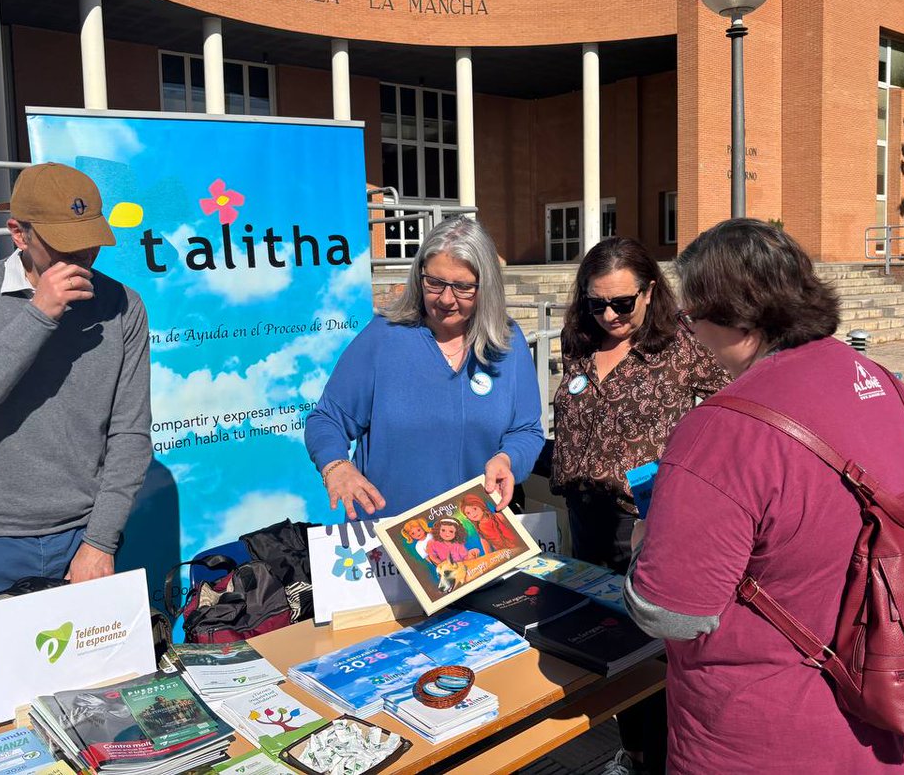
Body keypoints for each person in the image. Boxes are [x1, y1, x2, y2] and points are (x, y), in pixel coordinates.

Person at [625, 219, 904, 773]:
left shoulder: (723, 429)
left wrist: (644, 543)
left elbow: (671, 612)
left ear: (734, 315)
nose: (689, 332)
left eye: (691, 316)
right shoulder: (886, 383)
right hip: (896, 703)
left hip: (770, 736)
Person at [0, 162, 151, 737]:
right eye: (65, 248)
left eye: (91, 246)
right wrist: (39, 314)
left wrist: (100, 543)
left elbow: (129, 434)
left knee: (91, 717)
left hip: (81, 536)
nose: (83, 263)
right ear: (19, 233)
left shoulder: (123, 306)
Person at [550, 236, 728, 775]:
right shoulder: (579, 339)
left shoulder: (681, 343)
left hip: (646, 518)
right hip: (585, 514)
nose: (608, 314)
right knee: (606, 637)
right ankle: (634, 749)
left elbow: (735, 402)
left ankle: (664, 757)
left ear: (650, 293)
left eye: (622, 303)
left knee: (651, 643)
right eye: (596, 301)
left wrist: (693, 477)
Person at [304, 216, 544, 519]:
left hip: (476, 541)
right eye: (435, 282)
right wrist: (336, 466)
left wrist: (509, 459)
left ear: (486, 286)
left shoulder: (507, 342)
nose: (446, 299)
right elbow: (327, 419)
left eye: (462, 287)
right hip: (390, 541)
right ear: (419, 276)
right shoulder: (384, 337)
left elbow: (526, 430)